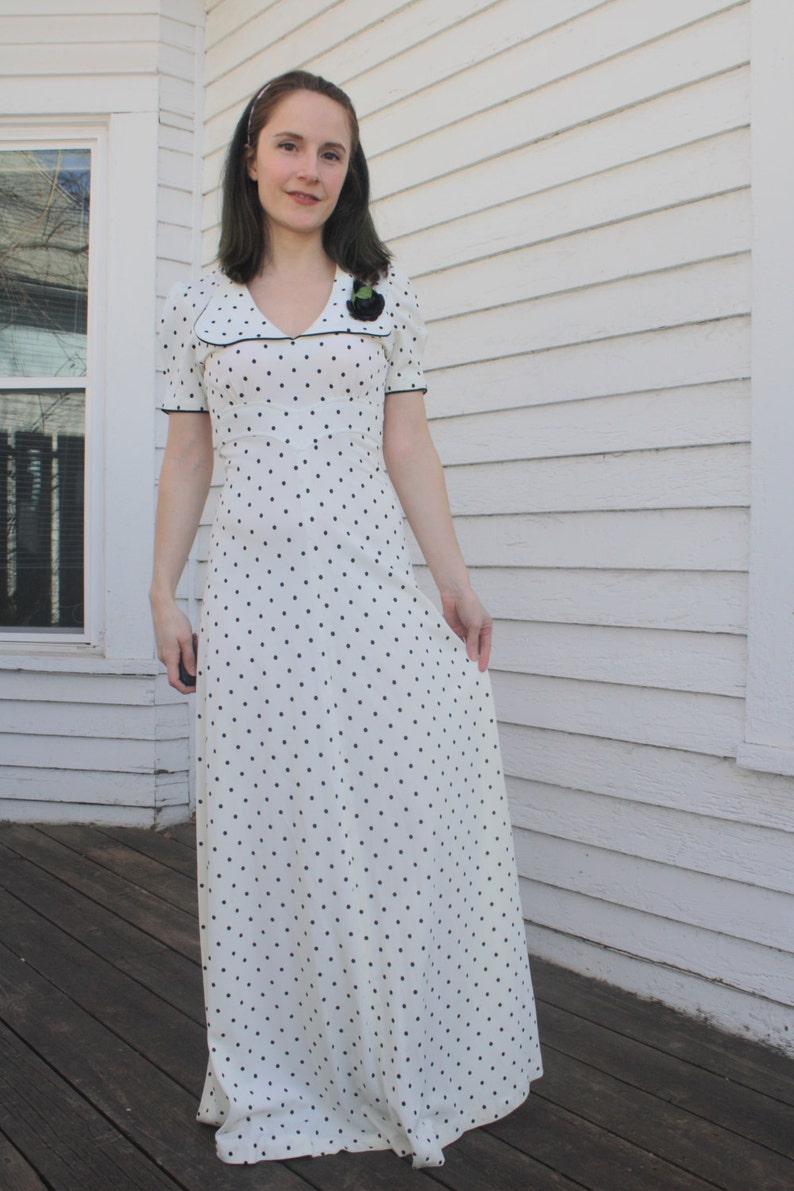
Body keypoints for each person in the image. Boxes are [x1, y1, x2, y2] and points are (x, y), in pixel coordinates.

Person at [150, 69, 541, 1169]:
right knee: (271, 832)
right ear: (249, 157)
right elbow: (187, 456)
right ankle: (295, 1063)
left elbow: (407, 445)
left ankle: (416, 1047)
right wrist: (159, 591)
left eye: (330, 153)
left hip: (372, 594)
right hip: (255, 603)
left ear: (347, 171)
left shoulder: (383, 293)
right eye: (289, 146)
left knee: (402, 807)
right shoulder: (198, 305)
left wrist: (452, 579)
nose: (308, 170)